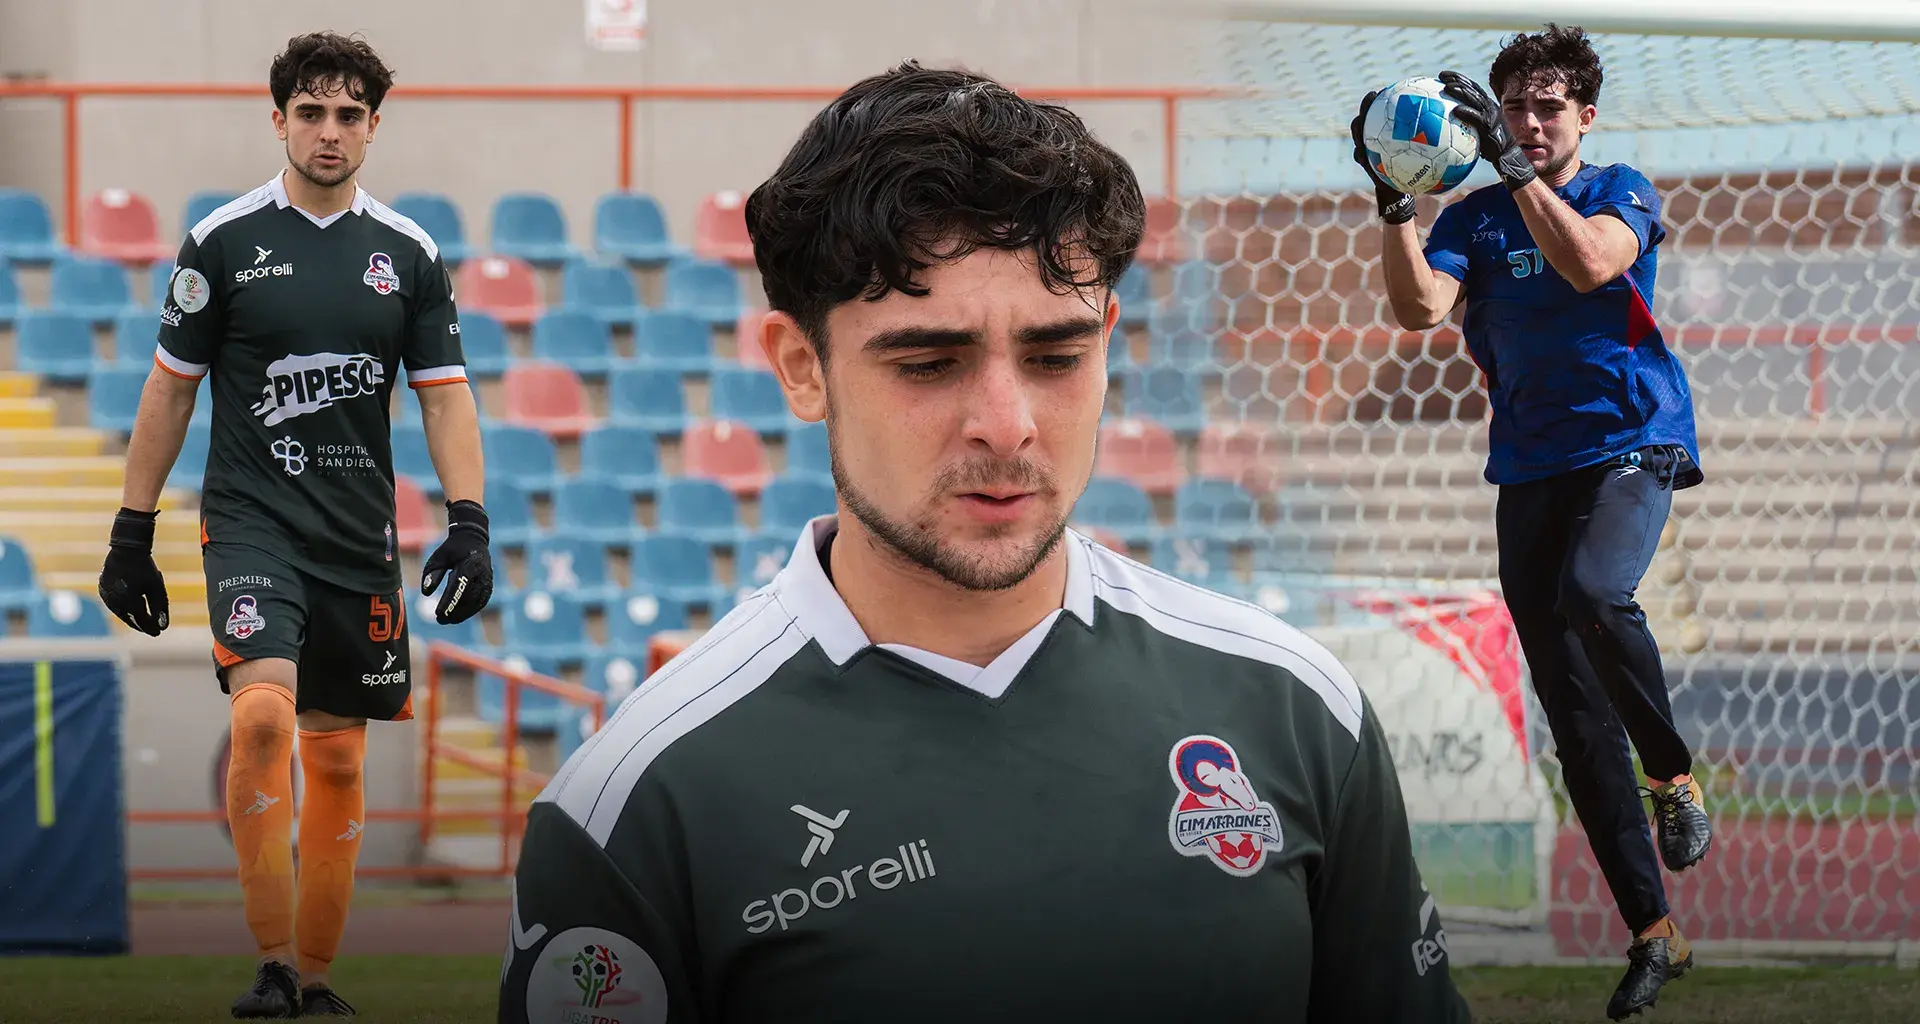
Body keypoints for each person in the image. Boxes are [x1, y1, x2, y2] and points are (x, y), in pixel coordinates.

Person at [497, 61, 1471, 1024]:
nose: (1006, 425)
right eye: (928, 361)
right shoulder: (636, 801)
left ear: (1109, 337)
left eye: (1056, 355)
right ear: (801, 368)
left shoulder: (1297, 707)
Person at [95, 31, 493, 1018]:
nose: (329, 130)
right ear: (277, 120)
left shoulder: (409, 255)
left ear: (373, 126)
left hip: (357, 541)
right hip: (250, 525)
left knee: (342, 755)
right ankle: (271, 959)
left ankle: (316, 977)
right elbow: (168, 391)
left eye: (348, 113)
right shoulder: (223, 241)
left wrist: (471, 520)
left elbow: (445, 397)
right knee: (262, 715)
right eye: (309, 112)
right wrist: (130, 531)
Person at [1356, 23, 1712, 1021]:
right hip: (1528, 468)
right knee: (1573, 719)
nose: (1528, 120)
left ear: (1584, 117)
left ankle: (1675, 774)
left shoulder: (1620, 189)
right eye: (1512, 106)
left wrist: (1516, 173)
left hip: (1636, 441)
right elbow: (1419, 308)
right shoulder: (1472, 215)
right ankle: (1655, 935)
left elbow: (1596, 265)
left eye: (1547, 106)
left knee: (1596, 593)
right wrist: (1395, 204)